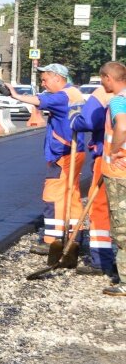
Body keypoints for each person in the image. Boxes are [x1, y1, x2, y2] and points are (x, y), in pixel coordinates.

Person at [10, 62, 86, 252]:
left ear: (57, 78)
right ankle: (75, 235)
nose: (43, 83)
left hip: (63, 153)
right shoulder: (74, 93)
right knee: (72, 193)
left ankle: (53, 239)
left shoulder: (61, 97)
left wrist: (16, 95)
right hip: (76, 150)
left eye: (45, 79)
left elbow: (40, 101)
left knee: (53, 195)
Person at [69, 80, 117, 279]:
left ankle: (101, 260)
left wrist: (74, 119)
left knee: (99, 208)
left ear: (107, 78)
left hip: (110, 159)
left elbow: (88, 121)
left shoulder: (106, 93)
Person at [98, 61, 126, 296]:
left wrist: (115, 150)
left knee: (122, 227)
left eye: (102, 79)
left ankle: (124, 280)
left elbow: (122, 126)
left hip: (119, 171)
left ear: (109, 78)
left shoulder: (118, 100)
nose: (101, 83)